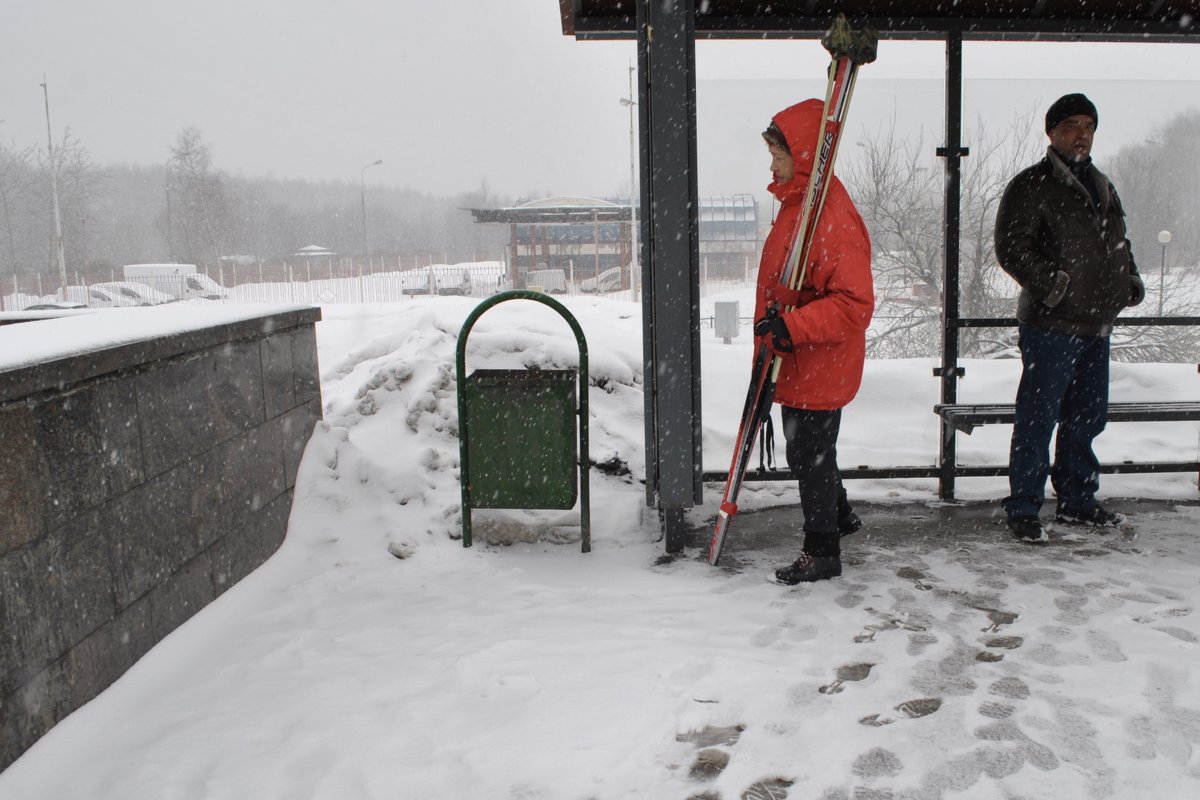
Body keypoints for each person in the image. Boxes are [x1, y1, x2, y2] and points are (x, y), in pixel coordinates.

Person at [994, 93, 1145, 543]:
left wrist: (1130, 280)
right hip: (1050, 327)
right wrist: (1055, 287)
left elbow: (1119, 239)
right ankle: (1024, 507)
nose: (1082, 133)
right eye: (1074, 124)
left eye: (1089, 125)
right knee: (1037, 418)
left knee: (1087, 417)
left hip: (1096, 327)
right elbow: (1012, 248)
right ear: (1053, 131)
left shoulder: (1103, 184)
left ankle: (1077, 501)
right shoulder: (1031, 185)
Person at [752, 99, 875, 584]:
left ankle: (822, 550)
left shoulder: (829, 216)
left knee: (809, 453)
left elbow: (853, 304)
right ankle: (839, 515)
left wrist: (792, 327)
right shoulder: (801, 204)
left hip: (818, 358)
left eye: (778, 154)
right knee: (813, 450)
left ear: (802, 156)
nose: (771, 164)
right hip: (802, 358)